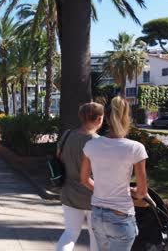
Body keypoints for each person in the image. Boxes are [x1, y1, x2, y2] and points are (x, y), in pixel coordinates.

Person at [80, 96, 148, 251]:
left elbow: (84, 180)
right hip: (121, 215)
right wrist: (132, 192)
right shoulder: (136, 148)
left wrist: (103, 190)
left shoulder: (91, 145)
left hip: (97, 214)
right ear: (126, 118)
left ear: (107, 120)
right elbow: (142, 191)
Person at [56, 102, 104, 251]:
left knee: (70, 233)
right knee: (95, 235)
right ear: (99, 119)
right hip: (93, 194)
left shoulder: (67, 135)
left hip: (69, 192)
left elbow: (59, 158)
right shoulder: (99, 142)